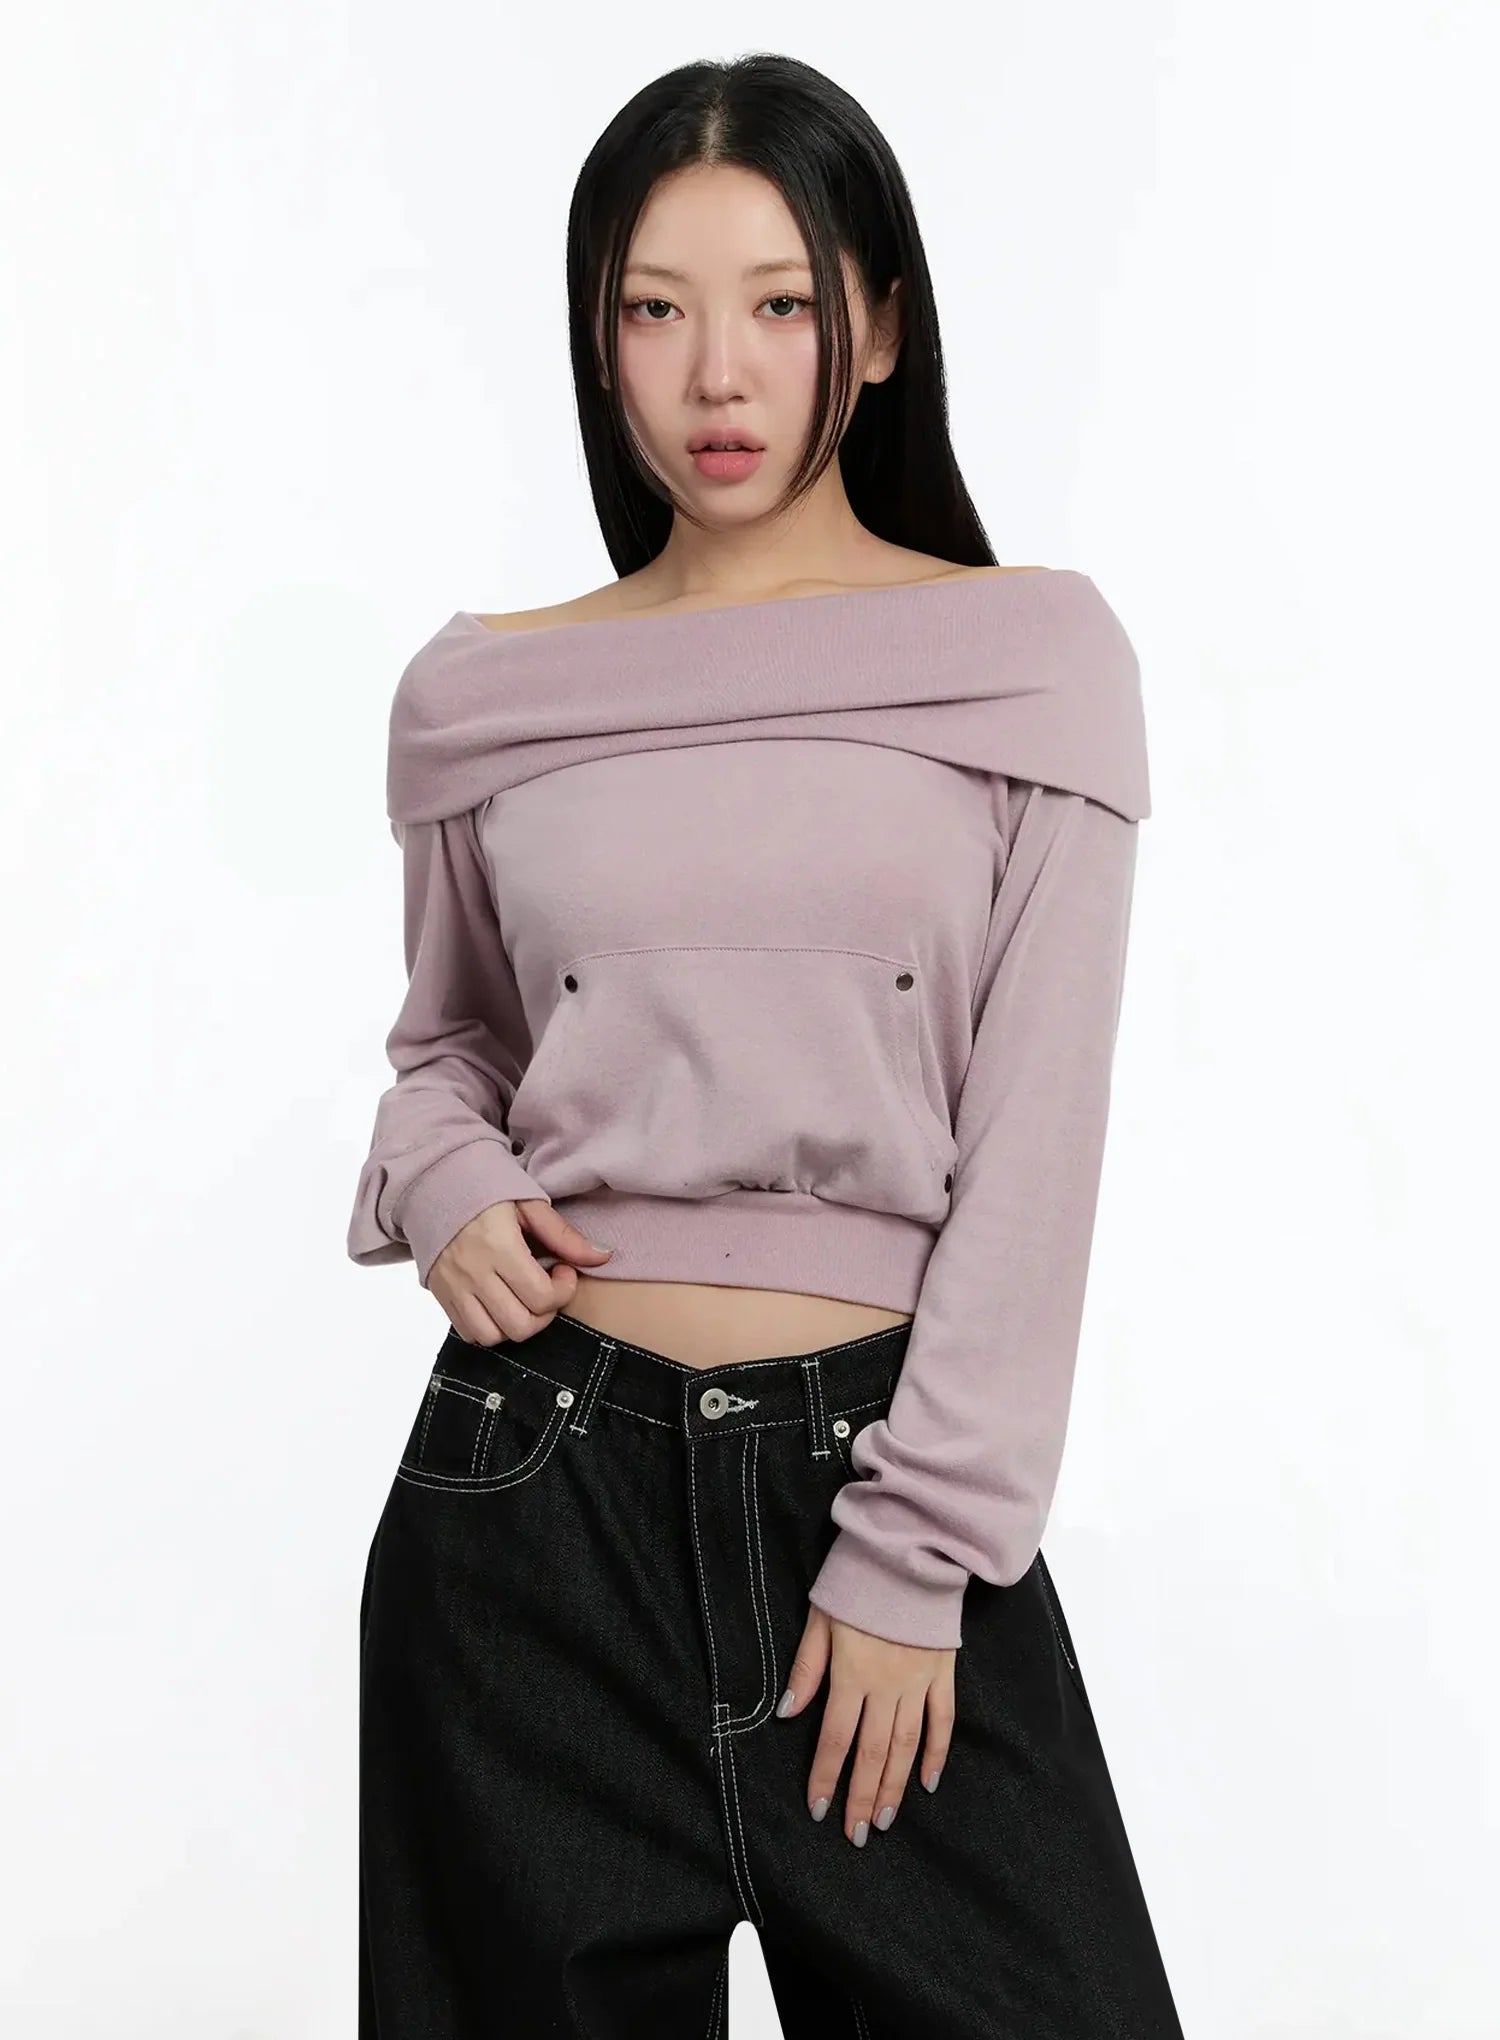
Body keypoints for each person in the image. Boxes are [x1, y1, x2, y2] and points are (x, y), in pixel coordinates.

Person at [348, 50, 1185, 2040]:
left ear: (876, 326)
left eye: (780, 303)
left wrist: (916, 1553)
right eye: (656, 308)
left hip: (881, 1495)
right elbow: (448, 1047)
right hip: (530, 1505)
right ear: (600, 340)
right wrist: (442, 1177)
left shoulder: (1032, 664)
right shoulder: (485, 695)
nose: (716, 373)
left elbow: (1035, 1153)